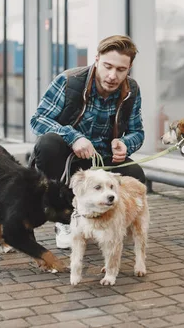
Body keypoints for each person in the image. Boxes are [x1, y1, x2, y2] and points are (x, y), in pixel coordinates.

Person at [29, 34, 145, 249]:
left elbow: (138, 132)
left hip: (102, 160)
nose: (112, 75)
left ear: (128, 69)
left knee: (136, 174)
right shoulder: (69, 81)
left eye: (121, 70)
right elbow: (38, 120)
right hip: (66, 159)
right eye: (107, 66)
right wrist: (74, 137)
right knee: (48, 144)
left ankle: (109, 221)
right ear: (97, 59)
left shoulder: (132, 91)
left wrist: (126, 143)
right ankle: (66, 219)